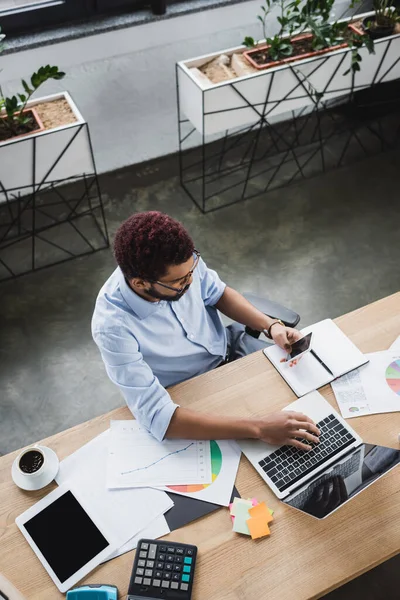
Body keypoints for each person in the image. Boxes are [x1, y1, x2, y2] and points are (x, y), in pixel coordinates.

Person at [92, 211, 319, 448]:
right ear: (140, 283)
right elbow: (158, 416)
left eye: (192, 271)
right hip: (190, 390)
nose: (190, 282)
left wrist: (270, 325)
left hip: (229, 347)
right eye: (180, 282)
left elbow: (218, 293)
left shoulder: (182, 265)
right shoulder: (112, 328)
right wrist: (259, 428)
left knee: (308, 391)